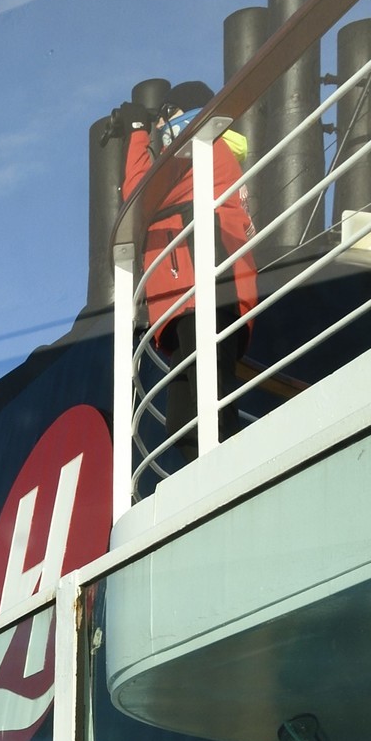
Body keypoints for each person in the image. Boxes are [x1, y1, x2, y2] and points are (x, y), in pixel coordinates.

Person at [111, 79, 257, 458]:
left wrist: (137, 132)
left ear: (191, 116)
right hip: (189, 298)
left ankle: (229, 478)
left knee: (211, 405)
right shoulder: (202, 157)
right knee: (182, 421)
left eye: (167, 116)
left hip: (205, 291)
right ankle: (211, 481)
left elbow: (140, 193)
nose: (160, 126)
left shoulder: (207, 150)